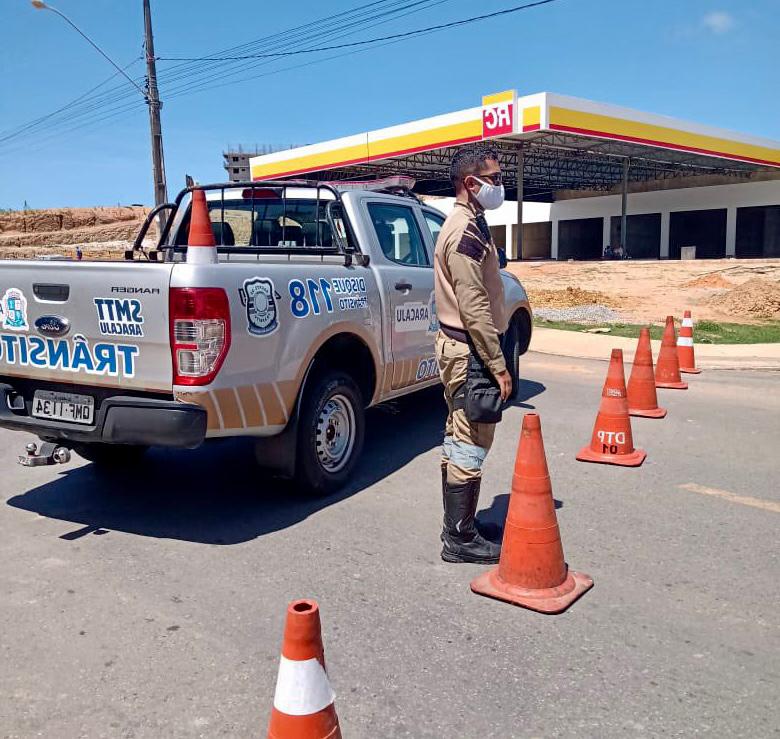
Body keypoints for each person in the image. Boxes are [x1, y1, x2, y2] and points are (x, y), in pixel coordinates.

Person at [433, 143, 512, 564]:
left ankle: (462, 526)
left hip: (464, 347)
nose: (500, 186)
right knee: (470, 437)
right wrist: (497, 364)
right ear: (471, 183)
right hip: (470, 350)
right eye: (495, 179)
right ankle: (459, 539)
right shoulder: (464, 232)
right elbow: (474, 304)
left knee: (460, 434)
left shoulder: (473, 222)